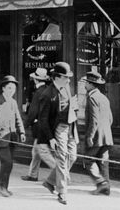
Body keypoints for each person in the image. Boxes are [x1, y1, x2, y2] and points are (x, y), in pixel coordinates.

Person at [38, 62, 79, 205]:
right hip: (58, 128)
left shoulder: (67, 87)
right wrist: (51, 138)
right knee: (62, 158)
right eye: (66, 77)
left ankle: (50, 181)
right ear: (57, 77)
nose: (69, 80)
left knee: (72, 156)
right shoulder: (47, 94)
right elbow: (43, 119)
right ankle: (62, 192)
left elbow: (73, 105)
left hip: (70, 126)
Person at [0, 75, 26, 197]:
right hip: (1, 137)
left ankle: (4, 187)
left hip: (11, 137)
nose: (11, 91)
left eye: (13, 88)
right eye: (9, 88)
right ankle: (1, 187)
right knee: (7, 162)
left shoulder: (13, 102)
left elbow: (18, 118)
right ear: (3, 88)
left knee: (9, 163)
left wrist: (22, 132)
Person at [82, 71, 114, 195]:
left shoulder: (92, 97)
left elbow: (94, 119)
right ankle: (107, 187)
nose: (85, 85)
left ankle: (101, 183)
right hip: (107, 136)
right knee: (103, 162)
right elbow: (110, 118)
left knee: (88, 160)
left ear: (91, 84)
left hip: (96, 136)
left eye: (86, 83)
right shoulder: (103, 97)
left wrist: (90, 136)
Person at [20, 68, 54, 182]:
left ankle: (60, 174)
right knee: (36, 151)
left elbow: (33, 112)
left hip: (40, 127)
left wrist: (24, 125)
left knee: (43, 152)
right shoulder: (47, 90)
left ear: (35, 79)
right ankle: (32, 175)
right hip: (46, 126)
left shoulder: (38, 93)